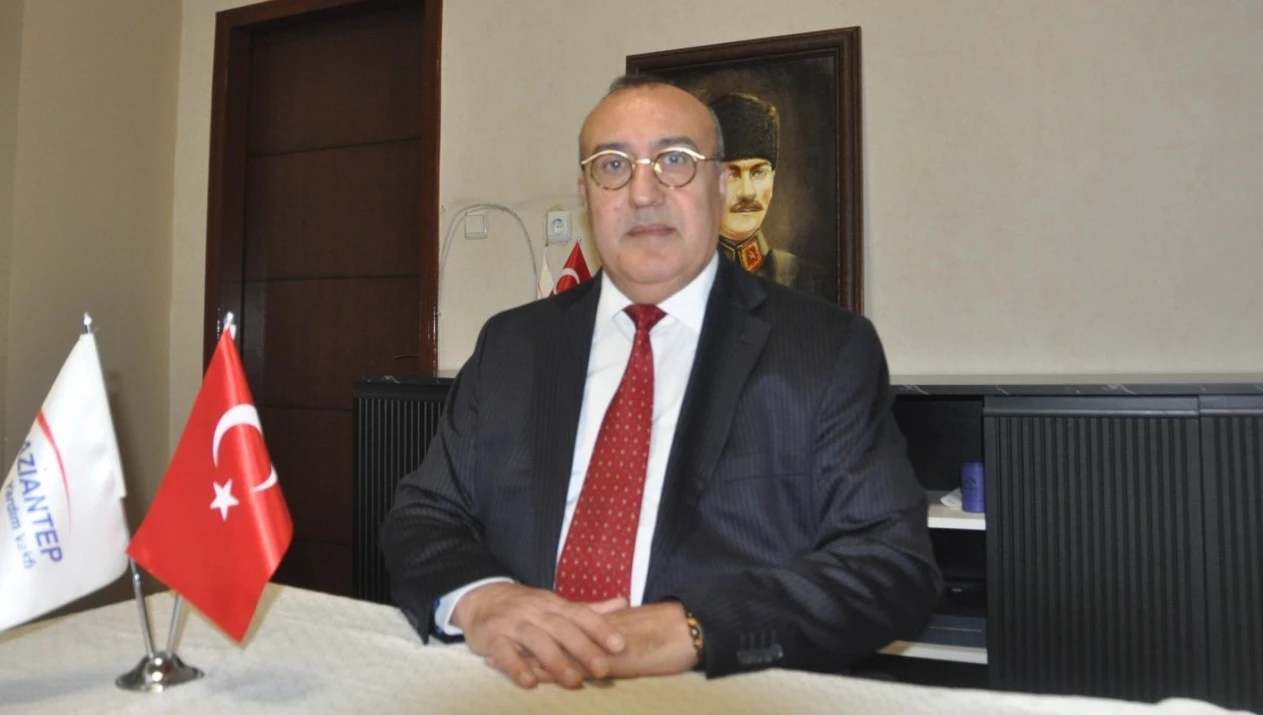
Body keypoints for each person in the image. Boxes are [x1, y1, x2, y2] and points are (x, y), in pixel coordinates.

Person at [380, 74, 939, 690]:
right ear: (587, 193)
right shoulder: (512, 345)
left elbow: (889, 567)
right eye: (613, 165)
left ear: (720, 184)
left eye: (675, 160)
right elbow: (425, 515)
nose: (643, 193)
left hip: (720, 691)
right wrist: (483, 599)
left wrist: (692, 629)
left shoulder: (823, 349)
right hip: (516, 685)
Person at [708, 92, 833, 299]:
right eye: (732, 174)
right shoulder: (677, 279)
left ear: (772, 178)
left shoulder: (805, 279)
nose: (747, 192)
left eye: (758, 173)